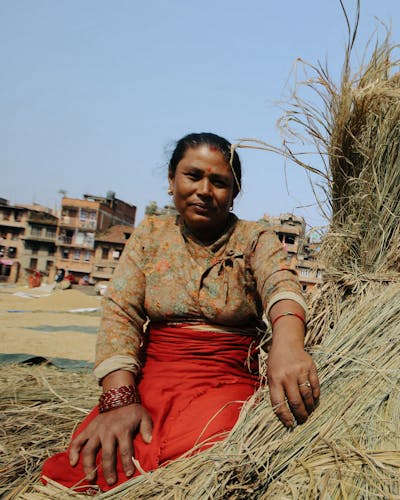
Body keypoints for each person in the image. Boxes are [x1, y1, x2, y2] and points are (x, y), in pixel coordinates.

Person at [42, 132, 320, 493]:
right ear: (171, 180)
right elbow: (119, 313)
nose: (205, 190)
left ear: (234, 193)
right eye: (193, 176)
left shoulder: (255, 238)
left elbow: (282, 286)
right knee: (95, 460)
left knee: (206, 451)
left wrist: (288, 345)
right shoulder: (150, 236)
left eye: (219, 182)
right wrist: (120, 401)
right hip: (151, 380)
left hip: (227, 379)